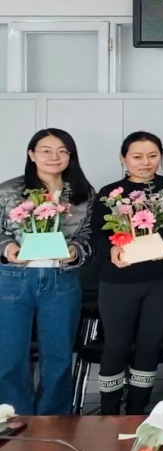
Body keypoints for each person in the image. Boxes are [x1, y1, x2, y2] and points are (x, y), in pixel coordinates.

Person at [91, 131, 163, 415]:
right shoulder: (110, 192)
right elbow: (98, 234)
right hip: (119, 281)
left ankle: (136, 413)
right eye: (137, 156)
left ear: (161, 156)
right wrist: (112, 250)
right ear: (123, 158)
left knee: (149, 345)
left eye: (152, 156)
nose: (145, 162)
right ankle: (108, 415)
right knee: (116, 345)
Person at [0, 129, 94, 415]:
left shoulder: (83, 193)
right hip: (14, 280)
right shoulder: (8, 190)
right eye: (46, 150)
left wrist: (75, 250)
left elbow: (89, 235)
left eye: (62, 151)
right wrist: (7, 248)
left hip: (61, 280)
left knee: (59, 356)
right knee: (10, 356)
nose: (55, 156)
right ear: (32, 154)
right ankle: (14, 419)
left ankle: (53, 421)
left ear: (71, 156)